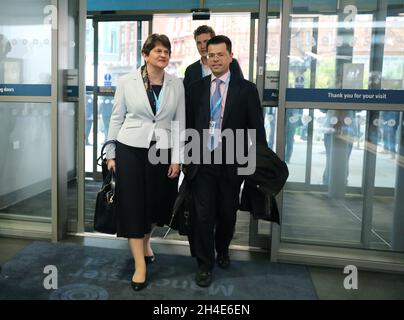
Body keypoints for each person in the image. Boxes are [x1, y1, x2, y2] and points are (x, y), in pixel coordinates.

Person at [185, 35, 267, 287]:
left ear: (230, 56)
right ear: (206, 58)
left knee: (226, 213)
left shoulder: (246, 89)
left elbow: (256, 129)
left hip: (232, 162)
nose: (215, 59)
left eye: (220, 54)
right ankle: (204, 263)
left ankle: (222, 249)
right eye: (211, 55)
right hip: (202, 161)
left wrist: (258, 161)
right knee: (202, 214)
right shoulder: (196, 88)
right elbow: (187, 125)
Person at [105, 34, 185, 291]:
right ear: (146, 54)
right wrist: (111, 152)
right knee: (132, 206)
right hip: (131, 150)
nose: (163, 55)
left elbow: (180, 123)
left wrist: (178, 158)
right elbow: (116, 118)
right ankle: (139, 264)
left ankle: (146, 240)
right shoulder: (127, 81)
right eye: (158, 51)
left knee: (156, 204)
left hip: (162, 150)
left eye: (166, 51)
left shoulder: (176, 84)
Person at [183, 25, 243, 91]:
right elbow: (187, 96)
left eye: (206, 41)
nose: (202, 46)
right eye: (199, 43)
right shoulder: (191, 70)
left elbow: (241, 88)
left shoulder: (232, 63)